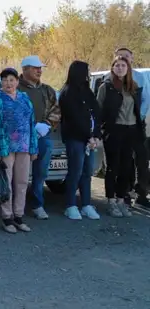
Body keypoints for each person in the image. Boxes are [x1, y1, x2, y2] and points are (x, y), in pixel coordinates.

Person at [0, 68, 39, 234]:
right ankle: (7, 217)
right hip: (5, 148)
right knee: (7, 183)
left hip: (24, 147)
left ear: (17, 81)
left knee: (22, 182)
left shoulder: (25, 98)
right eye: (5, 80)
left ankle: (19, 216)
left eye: (12, 80)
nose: (8, 83)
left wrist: (33, 147)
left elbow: (31, 123)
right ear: (1, 82)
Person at [98, 55, 145, 218]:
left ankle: (120, 200)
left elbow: (138, 110)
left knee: (126, 167)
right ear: (112, 68)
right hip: (114, 130)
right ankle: (110, 201)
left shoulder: (133, 86)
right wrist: (100, 130)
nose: (120, 68)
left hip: (131, 130)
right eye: (117, 65)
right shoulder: (107, 86)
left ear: (128, 68)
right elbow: (99, 109)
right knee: (113, 167)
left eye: (123, 65)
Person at [58, 61, 102, 221]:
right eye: (86, 71)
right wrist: (88, 136)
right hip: (76, 138)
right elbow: (74, 118)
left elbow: (96, 113)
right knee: (75, 172)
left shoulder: (87, 91)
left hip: (90, 139)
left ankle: (86, 204)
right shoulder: (67, 93)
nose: (88, 74)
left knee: (87, 172)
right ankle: (70, 205)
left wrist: (96, 135)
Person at [18, 55, 60, 220]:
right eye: (36, 68)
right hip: (20, 137)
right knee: (18, 174)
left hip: (42, 137)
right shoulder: (16, 87)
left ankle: (37, 205)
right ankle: (16, 207)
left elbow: (56, 110)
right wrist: (29, 126)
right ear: (25, 69)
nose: (39, 71)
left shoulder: (47, 89)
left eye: (40, 68)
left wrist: (47, 125)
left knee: (40, 173)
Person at [114, 47, 150, 207]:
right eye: (121, 56)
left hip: (137, 124)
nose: (124, 59)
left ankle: (142, 193)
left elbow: (146, 99)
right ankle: (125, 193)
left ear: (132, 58)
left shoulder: (140, 77)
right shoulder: (112, 78)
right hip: (119, 126)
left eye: (127, 56)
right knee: (124, 160)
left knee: (142, 159)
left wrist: (139, 117)